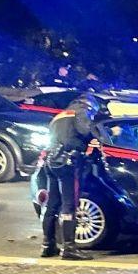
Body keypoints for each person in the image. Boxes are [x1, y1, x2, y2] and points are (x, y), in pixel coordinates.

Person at [40, 94, 102, 260]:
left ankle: (47, 245)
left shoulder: (59, 116)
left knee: (52, 204)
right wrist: (99, 136)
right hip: (67, 163)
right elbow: (85, 131)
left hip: (50, 163)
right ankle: (69, 248)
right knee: (70, 205)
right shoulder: (81, 112)